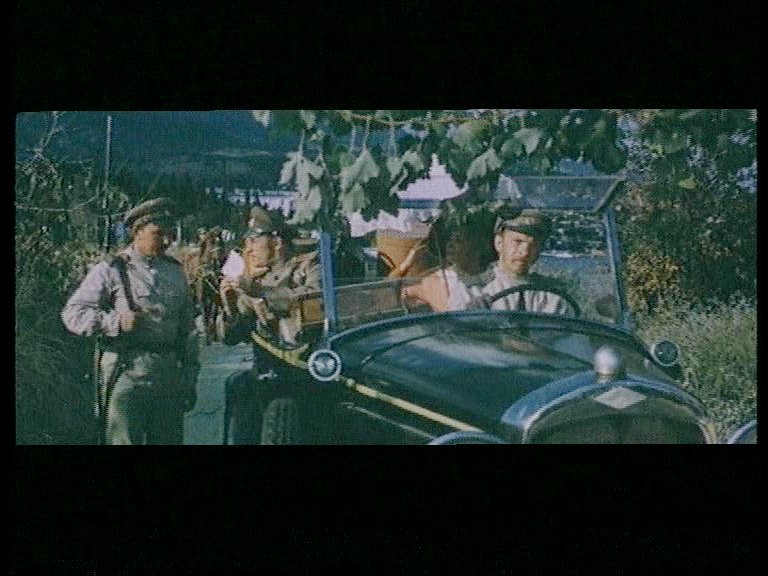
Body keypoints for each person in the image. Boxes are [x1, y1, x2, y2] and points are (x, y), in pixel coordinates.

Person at [61, 197, 200, 445]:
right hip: (126, 374)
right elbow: (73, 313)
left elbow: (188, 331)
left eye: (169, 234)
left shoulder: (175, 271)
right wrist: (115, 322)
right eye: (158, 234)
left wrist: (189, 378)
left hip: (167, 375)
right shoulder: (112, 269)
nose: (166, 241)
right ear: (137, 232)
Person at [403, 208, 574, 316]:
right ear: (499, 243)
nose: (525, 251)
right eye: (517, 242)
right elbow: (458, 342)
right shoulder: (471, 288)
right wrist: (469, 320)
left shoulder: (552, 296)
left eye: (533, 245)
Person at [218, 206, 321, 348]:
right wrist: (230, 308)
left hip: (311, 358)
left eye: (254, 240)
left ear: (277, 243)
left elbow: (315, 298)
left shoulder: (309, 268)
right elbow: (232, 339)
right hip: (267, 361)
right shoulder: (256, 280)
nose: (249, 249)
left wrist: (261, 292)